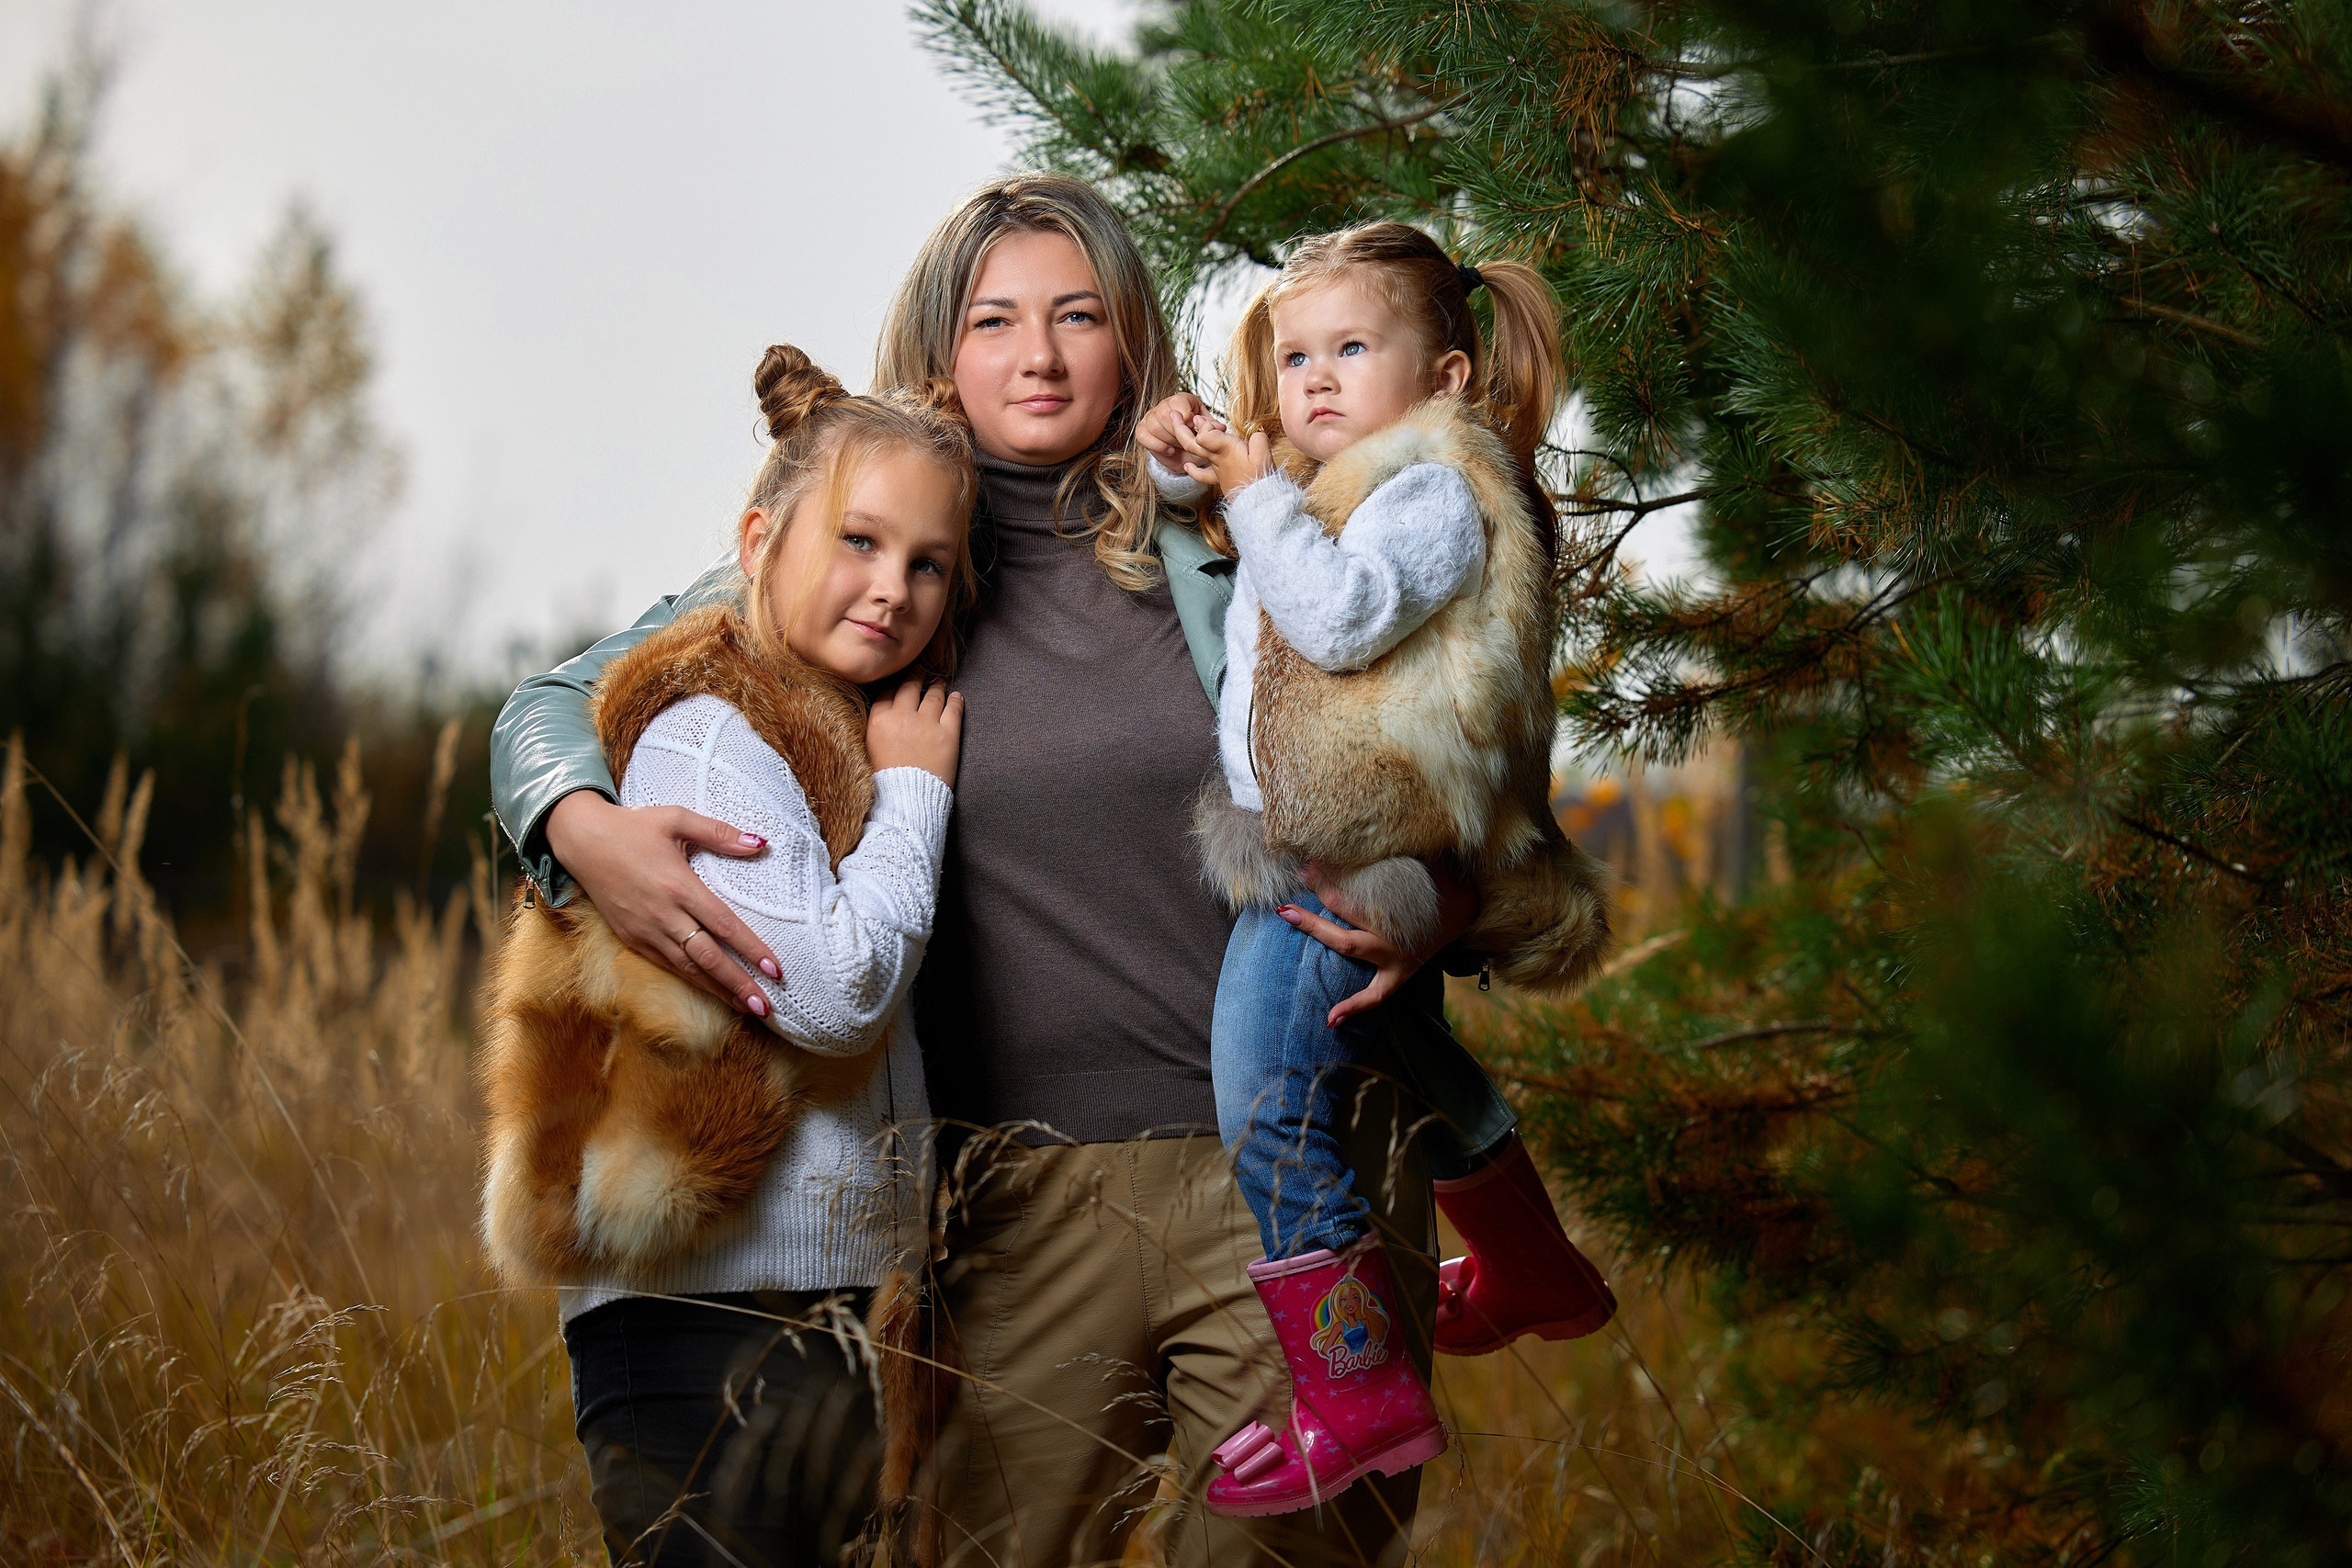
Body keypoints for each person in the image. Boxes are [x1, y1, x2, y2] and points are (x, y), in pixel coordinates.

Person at [488, 175, 1452, 1566]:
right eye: (995, 321)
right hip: (1007, 1203)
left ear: (1133, 338)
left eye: (1078, 316)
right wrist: (578, 827)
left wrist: (1442, 898)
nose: (1038, 357)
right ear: (940, 347)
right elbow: (551, 704)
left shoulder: (1241, 521)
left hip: (1289, 1169)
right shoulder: (882, 543)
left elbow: (1456, 728)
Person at [1136, 221, 1619, 1516]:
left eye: (1351, 348)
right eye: (1296, 355)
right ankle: (1534, 1266)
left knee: (1266, 1101)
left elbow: (1340, 616)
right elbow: (1245, 530)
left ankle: (1356, 1391)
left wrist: (1253, 494)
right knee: (1400, 1046)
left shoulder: (1436, 492)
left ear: (1446, 375)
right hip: (1325, 836)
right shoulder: (1343, 479)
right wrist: (1188, 463)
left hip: (1345, 849)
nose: (1315, 379)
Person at [477, 346, 974, 1566]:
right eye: (858, 542)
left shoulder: (817, 727)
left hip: (804, 1304)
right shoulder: (710, 734)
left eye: (928, 564)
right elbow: (834, 991)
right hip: (709, 1312)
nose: (893, 589)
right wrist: (917, 793)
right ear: (758, 542)